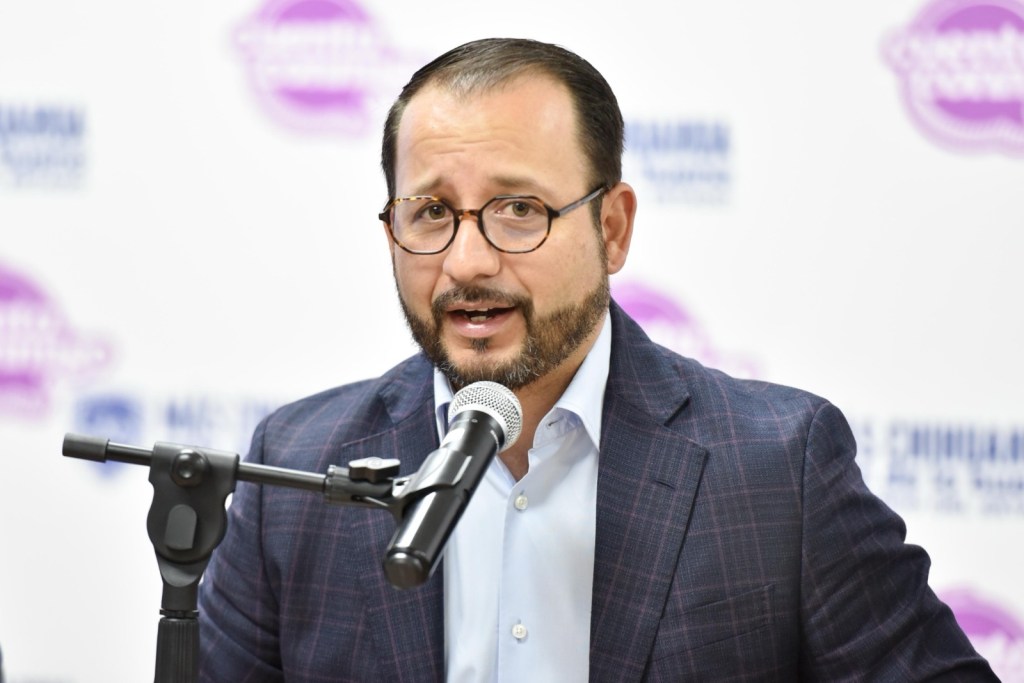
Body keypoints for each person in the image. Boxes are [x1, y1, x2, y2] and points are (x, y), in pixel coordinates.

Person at [197, 38, 996, 681]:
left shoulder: (779, 466)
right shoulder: (297, 467)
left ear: (612, 228)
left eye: (519, 209)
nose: (467, 260)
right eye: (432, 212)